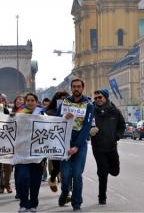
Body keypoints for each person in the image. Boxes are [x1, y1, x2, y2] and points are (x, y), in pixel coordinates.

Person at [58, 78, 94, 211]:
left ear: (83, 88)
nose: (76, 89)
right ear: (71, 88)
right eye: (74, 87)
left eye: (79, 86)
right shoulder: (64, 103)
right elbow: (56, 120)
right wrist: (63, 117)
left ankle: (76, 203)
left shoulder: (89, 105)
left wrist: (77, 146)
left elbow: (87, 126)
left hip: (80, 143)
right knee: (66, 174)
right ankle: (64, 192)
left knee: (77, 174)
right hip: (65, 143)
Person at [90, 89, 125, 205]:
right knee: (103, 171)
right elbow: (84, 126)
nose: (97, 100)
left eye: (100, 97)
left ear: (105, 97)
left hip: (111, 146)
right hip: (98, 147)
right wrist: (90, 132)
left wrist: (117, 136)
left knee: (115, 171)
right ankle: (102, 197)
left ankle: (110, 167)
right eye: (95, 98)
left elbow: (122, 125)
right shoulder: (91, 111)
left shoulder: (115, 111)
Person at [14, 93, 44, 212]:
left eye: (32, 100)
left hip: (37, 153)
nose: (30, 102)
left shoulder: (42, 114)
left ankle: (33, 203)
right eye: (28, 100)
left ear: (36, 102)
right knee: (22, 178)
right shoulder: (19, 114)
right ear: (25, 102)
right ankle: (23, 203)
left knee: (35, 180)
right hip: (22, 152)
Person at [44, 90, 70, 193]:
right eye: (61, 99)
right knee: (57, 167)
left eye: (65, 99)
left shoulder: (72, 111)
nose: (63, 101)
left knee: (67, 170)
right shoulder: (48, 112)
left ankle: (66, 193)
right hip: (53, 143)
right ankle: (52, 178)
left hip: (67, 143)